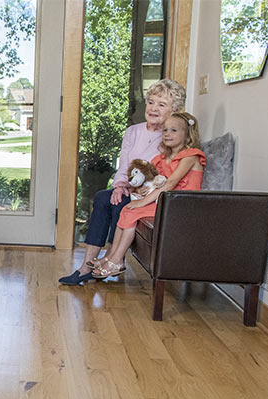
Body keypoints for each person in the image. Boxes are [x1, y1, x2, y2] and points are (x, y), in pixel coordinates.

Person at [59, 79, 187, 285]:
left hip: (148, 193)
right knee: (104, 197)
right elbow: (124, 164)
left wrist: (130, 188)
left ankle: (110, 261)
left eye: (161, 105)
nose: (153, 108)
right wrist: (119, 184)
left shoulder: (171, 137)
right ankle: (88, 264)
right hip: (128, 186)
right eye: (152, 102)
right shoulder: (133, 131)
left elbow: (163, 173)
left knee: (118, 201)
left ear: (175, 110)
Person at [91, 112, 205, 278]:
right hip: (165, 202)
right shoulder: (161, 158)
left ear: (187, 135)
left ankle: (117, 260)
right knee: (127, 211)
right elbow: (152, 180)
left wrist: (142, 202)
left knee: (134, 210)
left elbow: (170, 184)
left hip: (183, 205)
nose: (167, 134)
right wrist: (144, 189)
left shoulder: (190, 156)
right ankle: (110, 257)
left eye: (174, 130)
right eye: (165, 130)